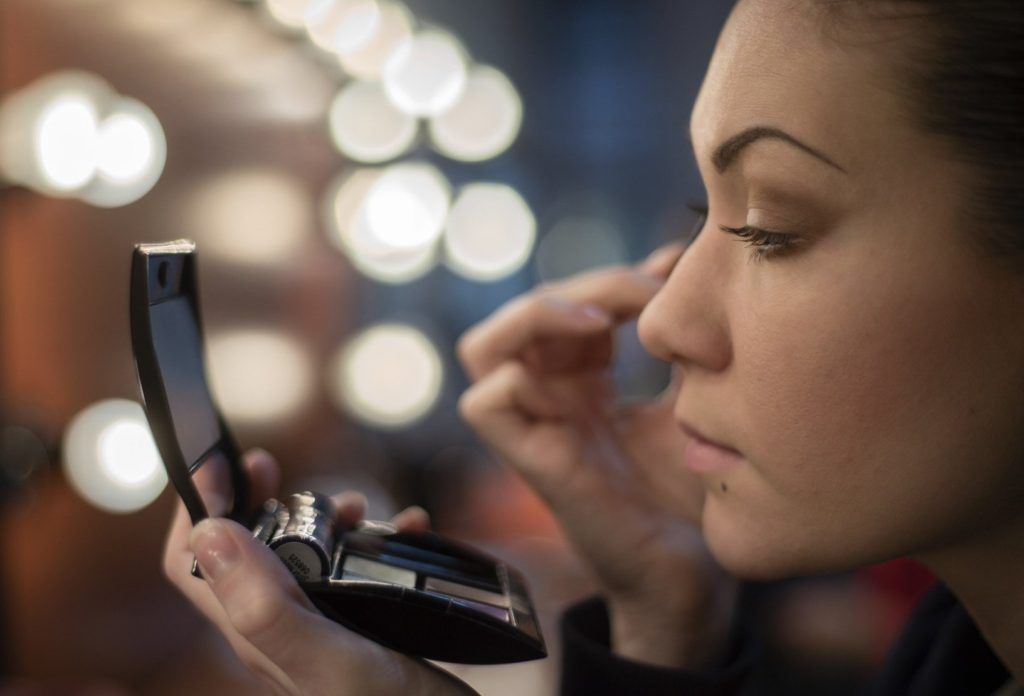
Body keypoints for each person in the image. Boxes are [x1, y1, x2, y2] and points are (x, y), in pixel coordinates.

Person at [163, 0, 1024, 693]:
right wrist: (664, 615)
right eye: (702, 216)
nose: (660, 323)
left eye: (770, 227)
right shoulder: (951, 655)